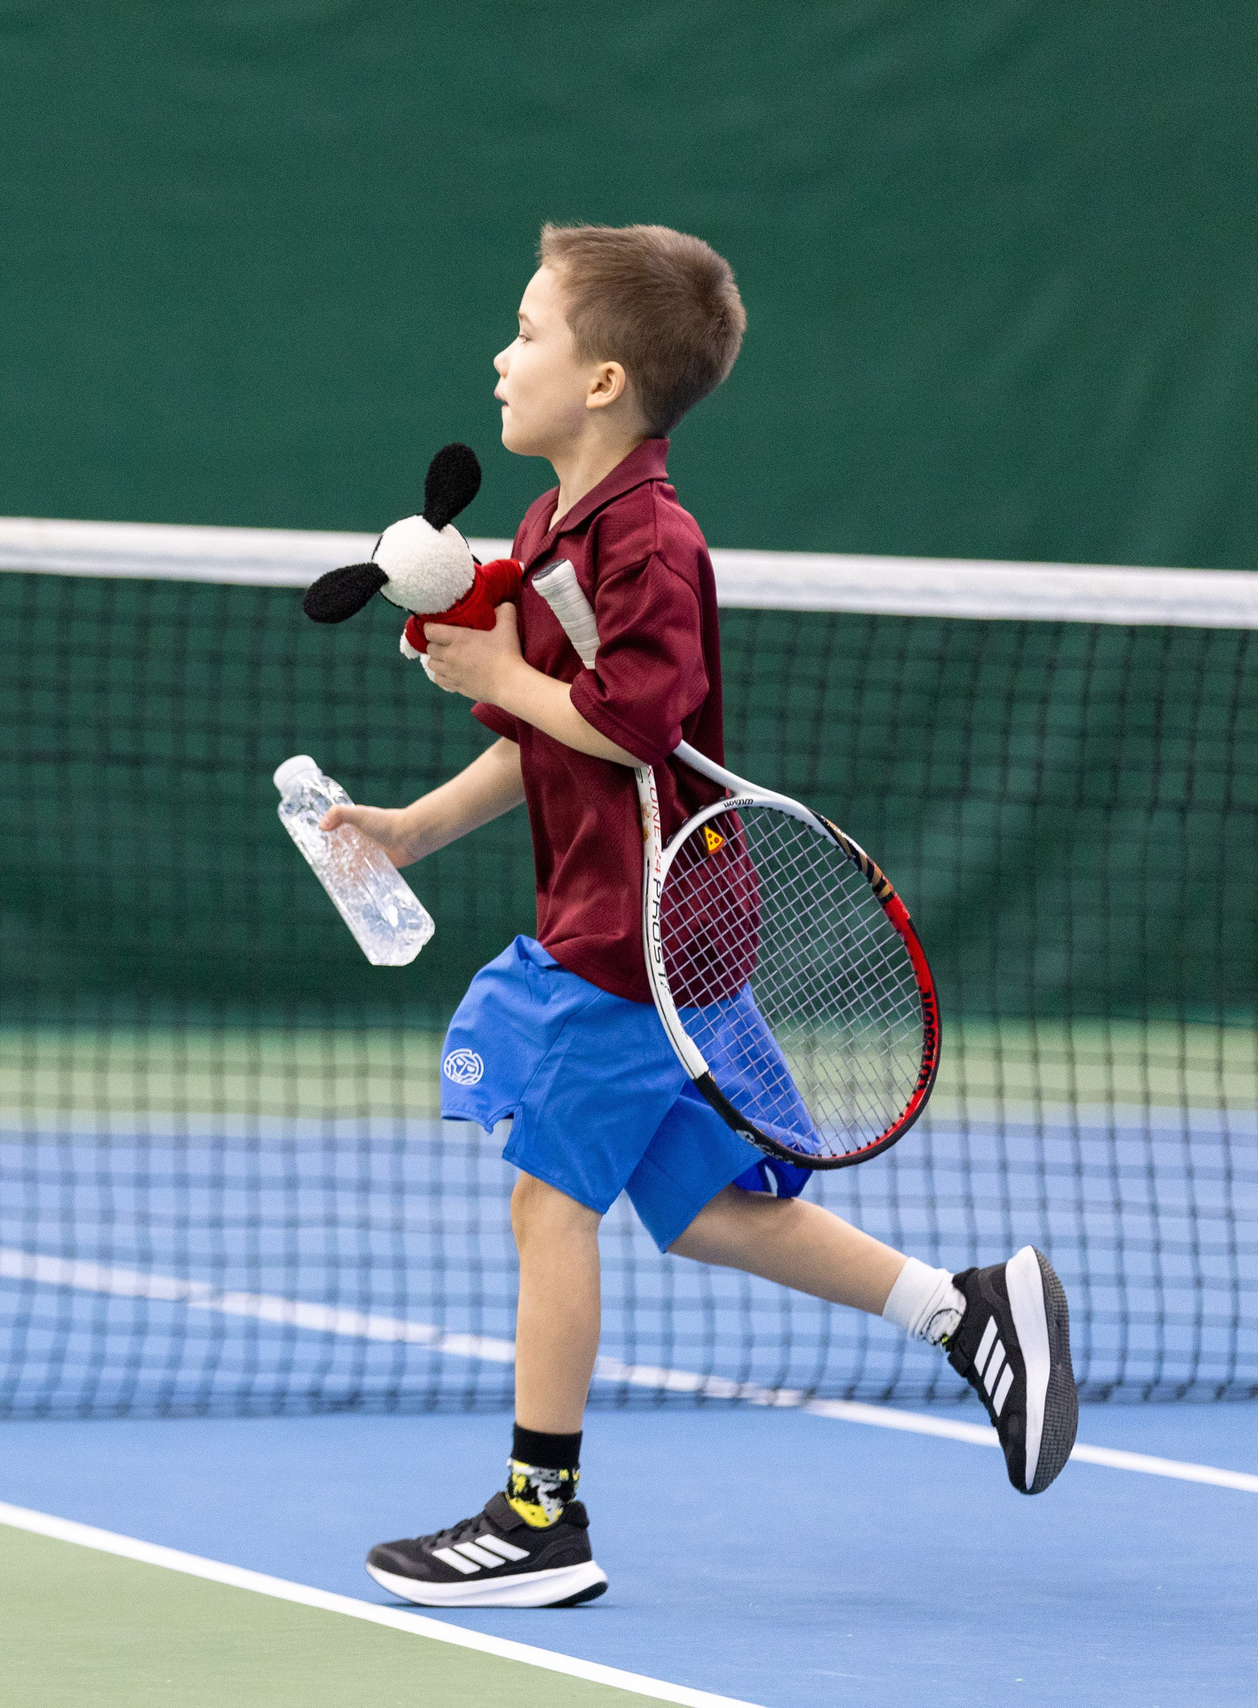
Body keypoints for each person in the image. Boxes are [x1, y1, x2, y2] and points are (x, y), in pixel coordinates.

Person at [326, 224, 1077, 1609]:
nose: (504, 356)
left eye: (530, 331)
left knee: (548, 1207)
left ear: (605, 381)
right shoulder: (554, 529)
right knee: (711, 1209)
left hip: (632, 939)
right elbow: (546, 739)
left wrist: (503, 667)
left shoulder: (649, 541)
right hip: (660, 930)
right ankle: (965, 1310)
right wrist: (415, 826)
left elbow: (634, 722)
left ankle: (539, 1519)